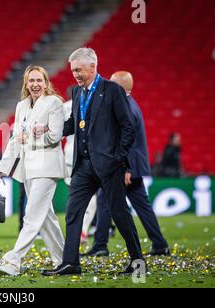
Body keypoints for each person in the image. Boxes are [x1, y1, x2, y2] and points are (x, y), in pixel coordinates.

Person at [39, 48, 144, 276]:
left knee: (119, 213)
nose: (75, 74)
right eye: (73, 70)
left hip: (109, 165)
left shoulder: (113, 90)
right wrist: (49, 129)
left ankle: (138, 261)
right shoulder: (78, 93)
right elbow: (73, 124)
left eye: (78, 70)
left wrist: (118, 158)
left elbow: (128, 127)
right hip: (83, 166)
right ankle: (71, 263)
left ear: (92, 67)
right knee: (73, 212)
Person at [82, 71, 170, 257]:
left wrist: (127, 169)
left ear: (119, 87)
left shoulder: (125, 106)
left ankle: (100, 244)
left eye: (112, 84)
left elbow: (127, 138)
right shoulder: (132, 104)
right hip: (132, 166)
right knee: (140, 205)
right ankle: (159, 243)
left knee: (105, 202)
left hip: (125, 168)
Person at [0, 65, 66, 276]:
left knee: (31, 216)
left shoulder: (54, 103)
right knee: (46, 218)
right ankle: (64, 260)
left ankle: (13, 260)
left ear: (46, 82)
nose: (35, 84)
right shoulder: (22, 106)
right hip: (28, 169)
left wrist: (32, 136)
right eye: (31, 81)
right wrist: (0, 171)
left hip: (47, 167)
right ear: (26, 84)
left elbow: (55, 137)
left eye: (39, 80)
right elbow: (15, 141)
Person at [63, 86, 97, 244]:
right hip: (84, 155)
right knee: (90, 198)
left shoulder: (64, 107)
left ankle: (76, 230)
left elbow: (59, 131)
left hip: (69, 155)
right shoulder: (90, 104)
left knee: (76, 195)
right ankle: (81, 230)